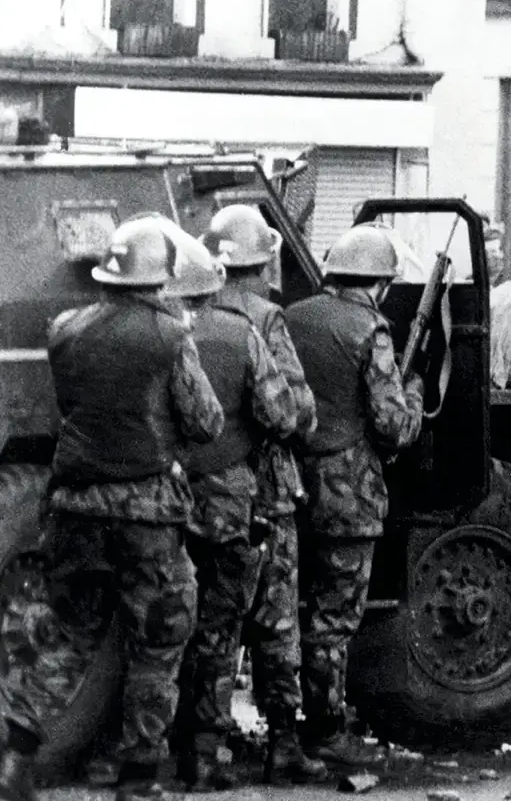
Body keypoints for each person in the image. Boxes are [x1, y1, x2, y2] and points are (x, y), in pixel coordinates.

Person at [0, 215, 224, 801]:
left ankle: (15, 765)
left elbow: (72, 405)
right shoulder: (171, 336)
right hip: (146, 513)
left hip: (73, 508)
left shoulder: (65, 330)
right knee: (159, 638)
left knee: (67, 634)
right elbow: (205, 421)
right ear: (161, 277)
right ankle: (139, 777)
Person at [163, 236, 301, 791]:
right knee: (221, 628)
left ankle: (160, 748)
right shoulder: (241, 332)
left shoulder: (159, 335)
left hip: (165, 502)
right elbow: (282, 414)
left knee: (168, 626)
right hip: (228, 502)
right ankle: (205, 753)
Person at [285, 224, 425, 767]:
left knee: (278, 612)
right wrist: (413, 396)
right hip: (347, 494)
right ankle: (325, 731)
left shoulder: (291, 317)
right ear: (382, 284)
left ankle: (277, 729)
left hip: (287, 487)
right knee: (333, 619)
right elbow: (391, 427)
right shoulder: (372, 330)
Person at [198, 206, 326, 785]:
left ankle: (203, 742)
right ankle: (282, 742)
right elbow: (297, 414)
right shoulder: (266, 318)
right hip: (266, 494)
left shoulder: (191, 312)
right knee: (276, 620)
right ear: (265, 257)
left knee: (213, 620)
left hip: (203, 490)